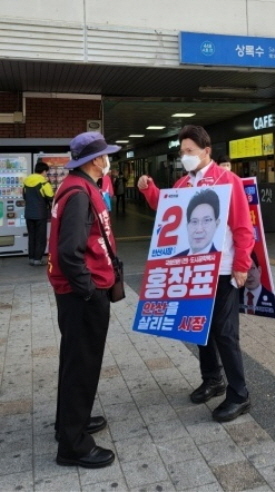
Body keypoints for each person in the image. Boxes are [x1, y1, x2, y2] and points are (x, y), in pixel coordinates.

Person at [138, 125, 255, 422]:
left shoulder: (228, 182)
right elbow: (165, 209)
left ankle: (239, 394)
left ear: (206, 151)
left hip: (222, 269)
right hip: (192, 268)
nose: (185, 156)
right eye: (182, 152)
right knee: (199, 328)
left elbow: (244, 228)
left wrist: (242, 264)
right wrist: (148, 189)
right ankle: (212, 379)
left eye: (190, 151)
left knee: (225, 333)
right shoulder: (182, 184)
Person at [47, 132, 121, 468]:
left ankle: (70, 423)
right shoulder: (78, 192)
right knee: (82, 366)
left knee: (76, 361)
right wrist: (90, 291)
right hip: (82, 296)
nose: (108, 159)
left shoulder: (78, 186)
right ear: (95, 159)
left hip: (78, 293)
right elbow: (68, 252)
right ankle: (73, 446)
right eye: (105, 155)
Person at [23, 160, 55, 266]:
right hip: (40, 213)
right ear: (44, 171)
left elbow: (24, 196)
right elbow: (50, 196)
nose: (47, 173)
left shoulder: (26, 181)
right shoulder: (43, 182)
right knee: (40, 237)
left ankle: (31, 258)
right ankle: (38, 259)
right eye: (46, 171)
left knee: (31, 236)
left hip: (28, 213)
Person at [176, 188, 220, 256]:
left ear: (216, 224)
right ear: (187, 226)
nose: (199, 230)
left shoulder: (222, 261)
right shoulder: (174, 260)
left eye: (206, 220)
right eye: (194, 222)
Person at [239, 250, 275, 318]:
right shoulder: (235, 295)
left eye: (252, 269)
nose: (248, 275)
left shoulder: (272, 299)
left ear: (259, 271)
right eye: (244, 269)